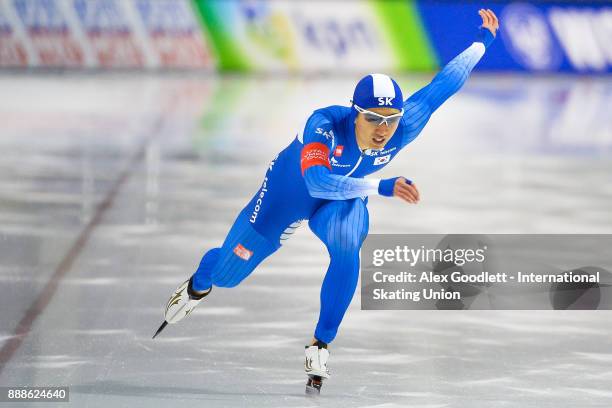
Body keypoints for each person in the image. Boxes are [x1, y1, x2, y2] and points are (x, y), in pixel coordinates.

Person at [155, 9, 500, 392]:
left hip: (338, 204)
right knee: (226, 275)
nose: (384, 129)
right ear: (355, 115)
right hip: (284, 199)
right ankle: (197, 286)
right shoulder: (323, 125)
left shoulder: (404, 125)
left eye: (391, 119)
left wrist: (481, 42)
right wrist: (380, 187)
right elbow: (318, 181)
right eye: (373, 119)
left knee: (348, 239)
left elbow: (443, 85)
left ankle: (321, 343)